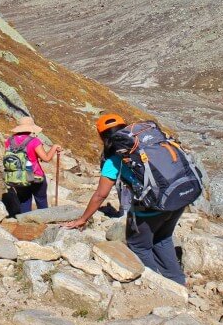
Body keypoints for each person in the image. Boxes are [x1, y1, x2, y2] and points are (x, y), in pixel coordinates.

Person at [64, 113, 187, 286]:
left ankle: (158, 286)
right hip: (178, 196)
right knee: (162, 238)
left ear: (102, 137)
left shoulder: (114, 160)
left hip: (151, 205)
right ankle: (178, 283)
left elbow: (100, 195)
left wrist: (83, 219)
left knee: (139, 245)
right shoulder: (151, 145)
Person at [5, 116, 62, 214]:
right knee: (41, 199)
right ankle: (44, 222)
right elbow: (46, 158)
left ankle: (25, 223)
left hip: (18, 175)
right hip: (35, 175)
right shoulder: (34, 141)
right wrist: (54, 147)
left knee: (24, 200)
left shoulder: (9, 141)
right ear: (31, 128)